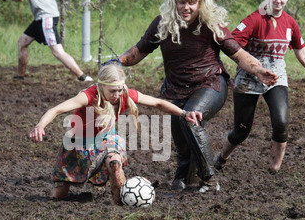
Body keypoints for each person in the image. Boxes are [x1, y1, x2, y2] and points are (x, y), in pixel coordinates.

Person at [105, 0, 278, 193]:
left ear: (200, 3)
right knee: (181, 139)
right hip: (174, 89)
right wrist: (117, 61)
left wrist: (258, 70)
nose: (186, 7)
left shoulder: (210, 23)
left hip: (209, 84)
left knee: (190, 119)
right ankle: (184, 175)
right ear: (174, 2)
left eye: (191, 3)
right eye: (181, 2)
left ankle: (210, 179)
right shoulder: (163, 23)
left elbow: (238, 54)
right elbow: (139, 50)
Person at [29, 63, 203, 205]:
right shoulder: (89, 96)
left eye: (120, 89)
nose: (117, 94)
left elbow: (157, 103)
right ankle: (70, 194)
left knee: (114, 162)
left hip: (106, 139)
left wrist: (183, 113)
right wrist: (40, 126)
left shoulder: (125, 95)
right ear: (102, 86)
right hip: (78, 143)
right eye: (113, 91)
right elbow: (57, 109)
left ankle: (120, 202)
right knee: (58, 196)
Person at [214, 0, 305, 175]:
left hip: (276, 78)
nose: (278, 1)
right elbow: (231, 45)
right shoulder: (254, 19)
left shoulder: (290, 23)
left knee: (281, 122)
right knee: (241, 131)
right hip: (249, 79)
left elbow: (300, 50)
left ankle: (273, 171)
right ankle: (221, 158)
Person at [1, 0, 93, 82]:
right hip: (43, 16)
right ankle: (20, 76)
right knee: (22, 42)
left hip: (46, 17)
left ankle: (82, 76)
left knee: (57, 51)